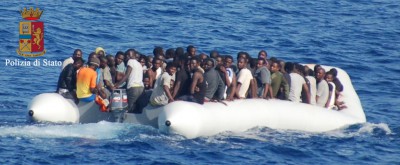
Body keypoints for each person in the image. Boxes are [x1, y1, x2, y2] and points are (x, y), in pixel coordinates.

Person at [114, 49, 144, 113]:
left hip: (133, 89)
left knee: (129, 107)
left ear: (128, 56)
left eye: (127, 55)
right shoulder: (139, 64)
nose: (126, 57)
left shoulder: (130, 61)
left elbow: (127, 75)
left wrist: (117, 85)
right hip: (141, 88)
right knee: (136, 107)